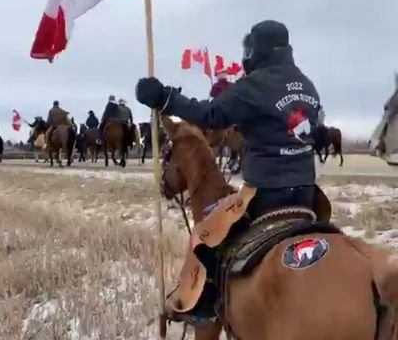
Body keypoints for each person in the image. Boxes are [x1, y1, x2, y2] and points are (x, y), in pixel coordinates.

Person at [136, 19, 321, 326]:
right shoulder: (306, 84)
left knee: (206, 236)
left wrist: (164, 97)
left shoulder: (256, 84)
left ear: (258, 49)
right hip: (308, 193)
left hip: (266, 193)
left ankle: (206, 307)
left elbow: (211, 114)